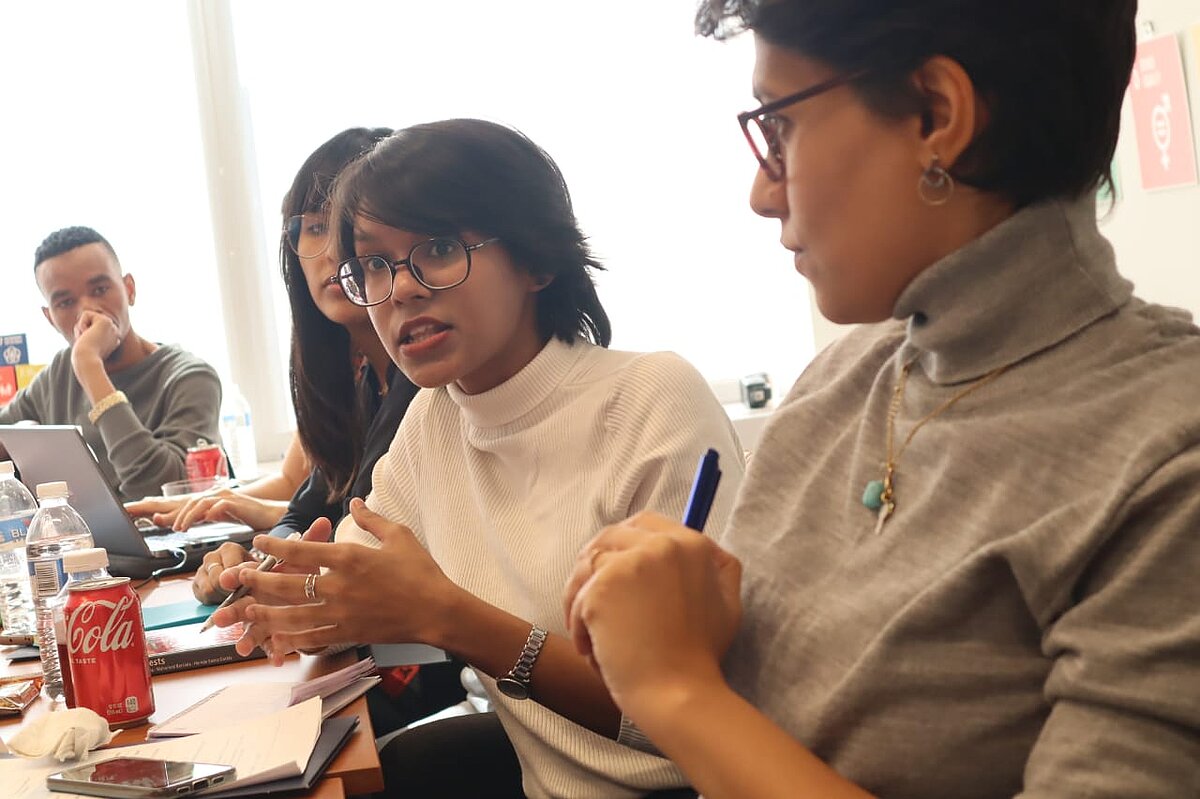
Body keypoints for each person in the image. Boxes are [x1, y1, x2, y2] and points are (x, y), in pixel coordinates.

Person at [563, 2, 1200, 798]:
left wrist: (678, 688)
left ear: (937, 114)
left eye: (780, 128)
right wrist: (693, 619)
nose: (764, 192)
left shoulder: (1171, 456)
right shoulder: (841, 383)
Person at [211, 119, 746, 799]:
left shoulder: (649, 399)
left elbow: (687, 715)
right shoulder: (435, 420)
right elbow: (350, 572)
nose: (400, 289)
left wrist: (449, 616)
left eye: (435, 248)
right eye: (374, 264)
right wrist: (282, 591)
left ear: (536, 259)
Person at [0, 226, 222, 502]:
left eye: (101, 289)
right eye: (66, 302)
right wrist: (23, 439)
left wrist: (89, 366)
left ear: (129, 289)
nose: (87, 311)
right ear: (50, 318)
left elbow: (163, 493)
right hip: (88, 543)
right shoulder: (58, 375)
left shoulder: (189, 377)